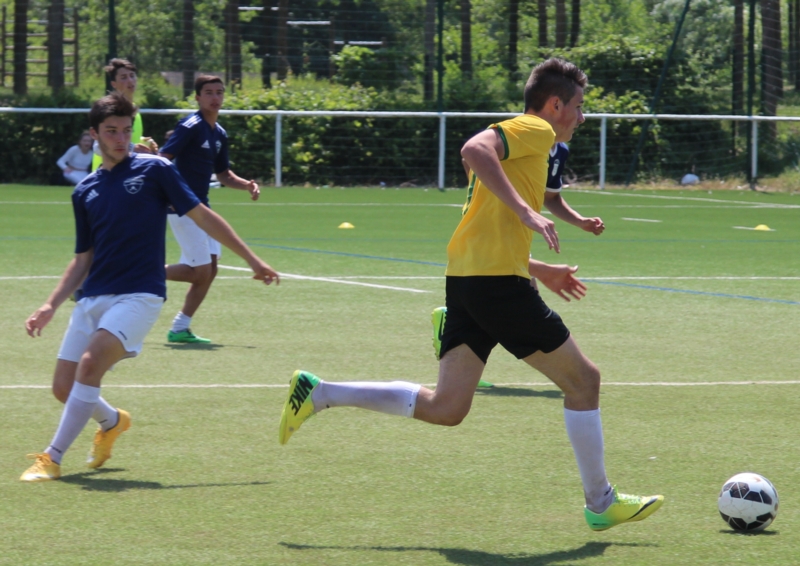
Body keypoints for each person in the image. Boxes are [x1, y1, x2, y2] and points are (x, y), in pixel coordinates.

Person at [278, 58, 663, 531]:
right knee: (584, 381)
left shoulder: (532, 147)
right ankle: (601, 503)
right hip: (496, 286)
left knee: (447, 407)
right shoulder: (535, 129)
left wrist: (539, 268)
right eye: (579, 106)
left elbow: (487, 222)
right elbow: (473, 147)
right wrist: (525, 212)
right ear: (554, 104)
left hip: (469, 279)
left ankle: (318, 393)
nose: (582, 117)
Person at [20, 93, 279, 482]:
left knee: (90, 365)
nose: (120, 139)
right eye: (111, 131)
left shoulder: (155, 169)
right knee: (63, 388)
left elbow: (203, 216)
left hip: (139, 293)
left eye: (126, 130)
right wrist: (50, 305)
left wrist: (252, 260)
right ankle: (112, 421)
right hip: (93, 296)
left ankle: (52, 458)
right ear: (94, 134)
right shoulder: (84, 190)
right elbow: (82, 259)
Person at [158, 75, 261, 344]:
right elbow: (162, 160)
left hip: (202, 207)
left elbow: (224, 174)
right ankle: (137, 270)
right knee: (200, 272)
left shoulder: (219, 133)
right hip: (182, 206)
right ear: (197, 97)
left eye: (219, 92)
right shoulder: (190, 126)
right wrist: (171, 193)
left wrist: (246, 185)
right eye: (209, 93)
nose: (215, 97)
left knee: (210, 269)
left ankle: (180, 328)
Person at [90, 58, 158, 172]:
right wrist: (132, 148)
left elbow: (127, 138)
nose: (130, 80)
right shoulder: (109, 110)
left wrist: (144, 142)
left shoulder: (134, 110)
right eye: (123, 77)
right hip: (106, 175)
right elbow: (97, 147)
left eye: (132, 76)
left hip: (126, 174)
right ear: (114, 84)